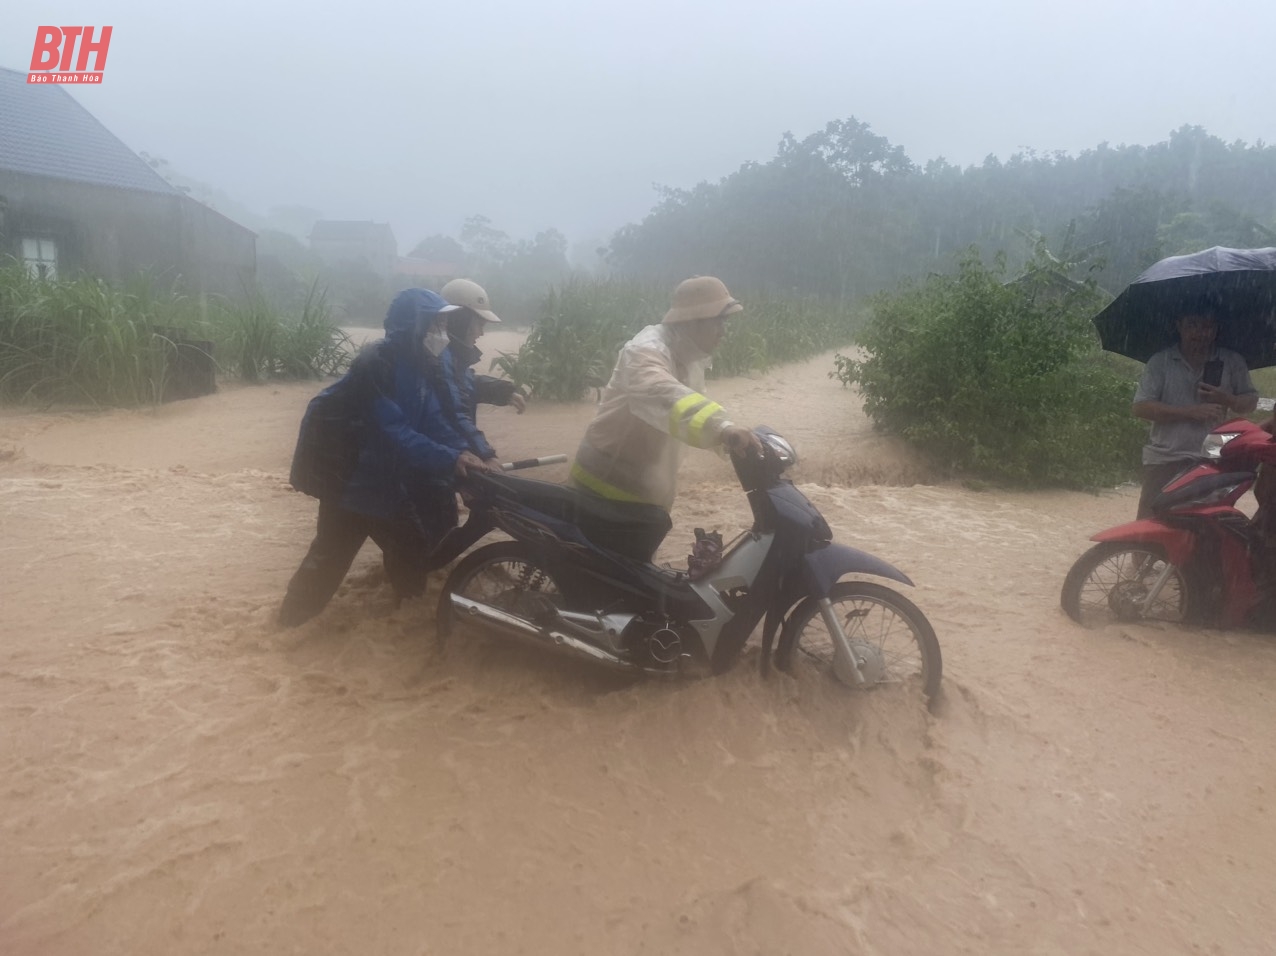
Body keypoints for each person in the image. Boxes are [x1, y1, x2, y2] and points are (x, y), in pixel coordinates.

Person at [278, 288, 490, 627]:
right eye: (435, 323)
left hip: (385, 477)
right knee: (332, 555)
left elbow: (435, 419)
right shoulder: (375, 364)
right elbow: (393, 430)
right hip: (350, 478)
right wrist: (451, 458)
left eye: (444, 323)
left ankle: (403, 624)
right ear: (413, 325)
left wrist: (467, 454)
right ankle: (285, 629)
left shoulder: (426, 363)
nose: (441, 332)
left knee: (410, 547)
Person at [569, 276, 763, 553]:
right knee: (603, 579)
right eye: (718, 321)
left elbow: (684, 415)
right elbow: (663, 394)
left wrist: (726, 435)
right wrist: (722, 427)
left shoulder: (688, 356)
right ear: (694, 320)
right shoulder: (646, 350)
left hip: (643, 490)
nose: (723, 331)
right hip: (606, 485)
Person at [1132, 309, 1257, 519]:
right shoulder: (1160, 361)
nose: (1200, 333)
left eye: (1207, 326)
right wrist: (1189, 412)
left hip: (1213, 459)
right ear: (1179, 326)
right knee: (1151, 526)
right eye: (1192, 325)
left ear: (1216, 329)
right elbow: (1140, 407)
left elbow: (1250, 403)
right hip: (1165, 458)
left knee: (1205, 529)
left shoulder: (1233, 361)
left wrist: (1228, 399)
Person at [439, 278, 528, 427]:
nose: (481, 333)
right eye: (479, 325)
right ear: (459, 322)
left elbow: (464, 383)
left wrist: (503, 391)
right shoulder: (432, 363)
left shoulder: (448, 360)